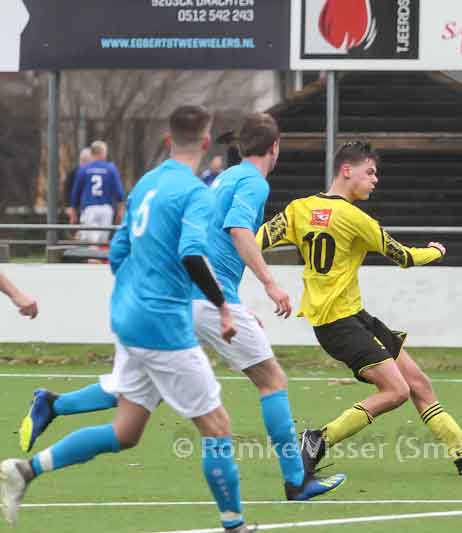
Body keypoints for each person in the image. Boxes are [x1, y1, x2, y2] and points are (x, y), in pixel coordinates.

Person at [17, 113, 345, 501]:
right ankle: (295, 480)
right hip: (206, 302)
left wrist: (232, 304)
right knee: (272, 381)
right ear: (275, 148)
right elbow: (238, 231)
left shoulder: (225, 177)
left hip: (181, 302)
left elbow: (205, 243)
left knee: (131, 406)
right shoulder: (254, 182)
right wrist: (268, 285)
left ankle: (53, 405)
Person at [1, 105, 253, 532]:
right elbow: (192, 254)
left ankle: (24, 470)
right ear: (207, 142)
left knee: (126, 431)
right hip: (163, 327)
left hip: (129, 318)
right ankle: (235, 526)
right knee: (217, 426)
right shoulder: (196, 194)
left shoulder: (145, 184)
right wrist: (223, 306)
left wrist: (139, 291)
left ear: (168, 140)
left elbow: (118, 252)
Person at [255, 141, 462, 477]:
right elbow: (404, 256)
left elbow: (255, 240)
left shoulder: (298, 209)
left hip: (355, 317)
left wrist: (257, 275)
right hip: (339, 325)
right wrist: (435, 252)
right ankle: (318, 439)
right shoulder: (356, 219)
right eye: (370, 172)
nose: (375, 180)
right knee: (396, 391)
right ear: (346, 170)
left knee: (419, 383)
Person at [70, 140, 125, 244]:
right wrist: (120, 211)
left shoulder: (84, 169)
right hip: (106, 209)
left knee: (91, 242)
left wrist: (73, 212)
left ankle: (92, 253)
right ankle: (99, 253)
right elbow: (119, 192)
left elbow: (75, 193)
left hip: (89, 208)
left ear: (92, 153)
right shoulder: (110, 168)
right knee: (103, 242)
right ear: (103, 152)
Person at [64, 147, 92, 214]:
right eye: (82, 160)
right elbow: (67, 190)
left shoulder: (95, 173)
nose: (84, 162)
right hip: (77, 208)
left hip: (90, 207)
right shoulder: (73, 173)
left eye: (87, 160)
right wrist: (68, 206)